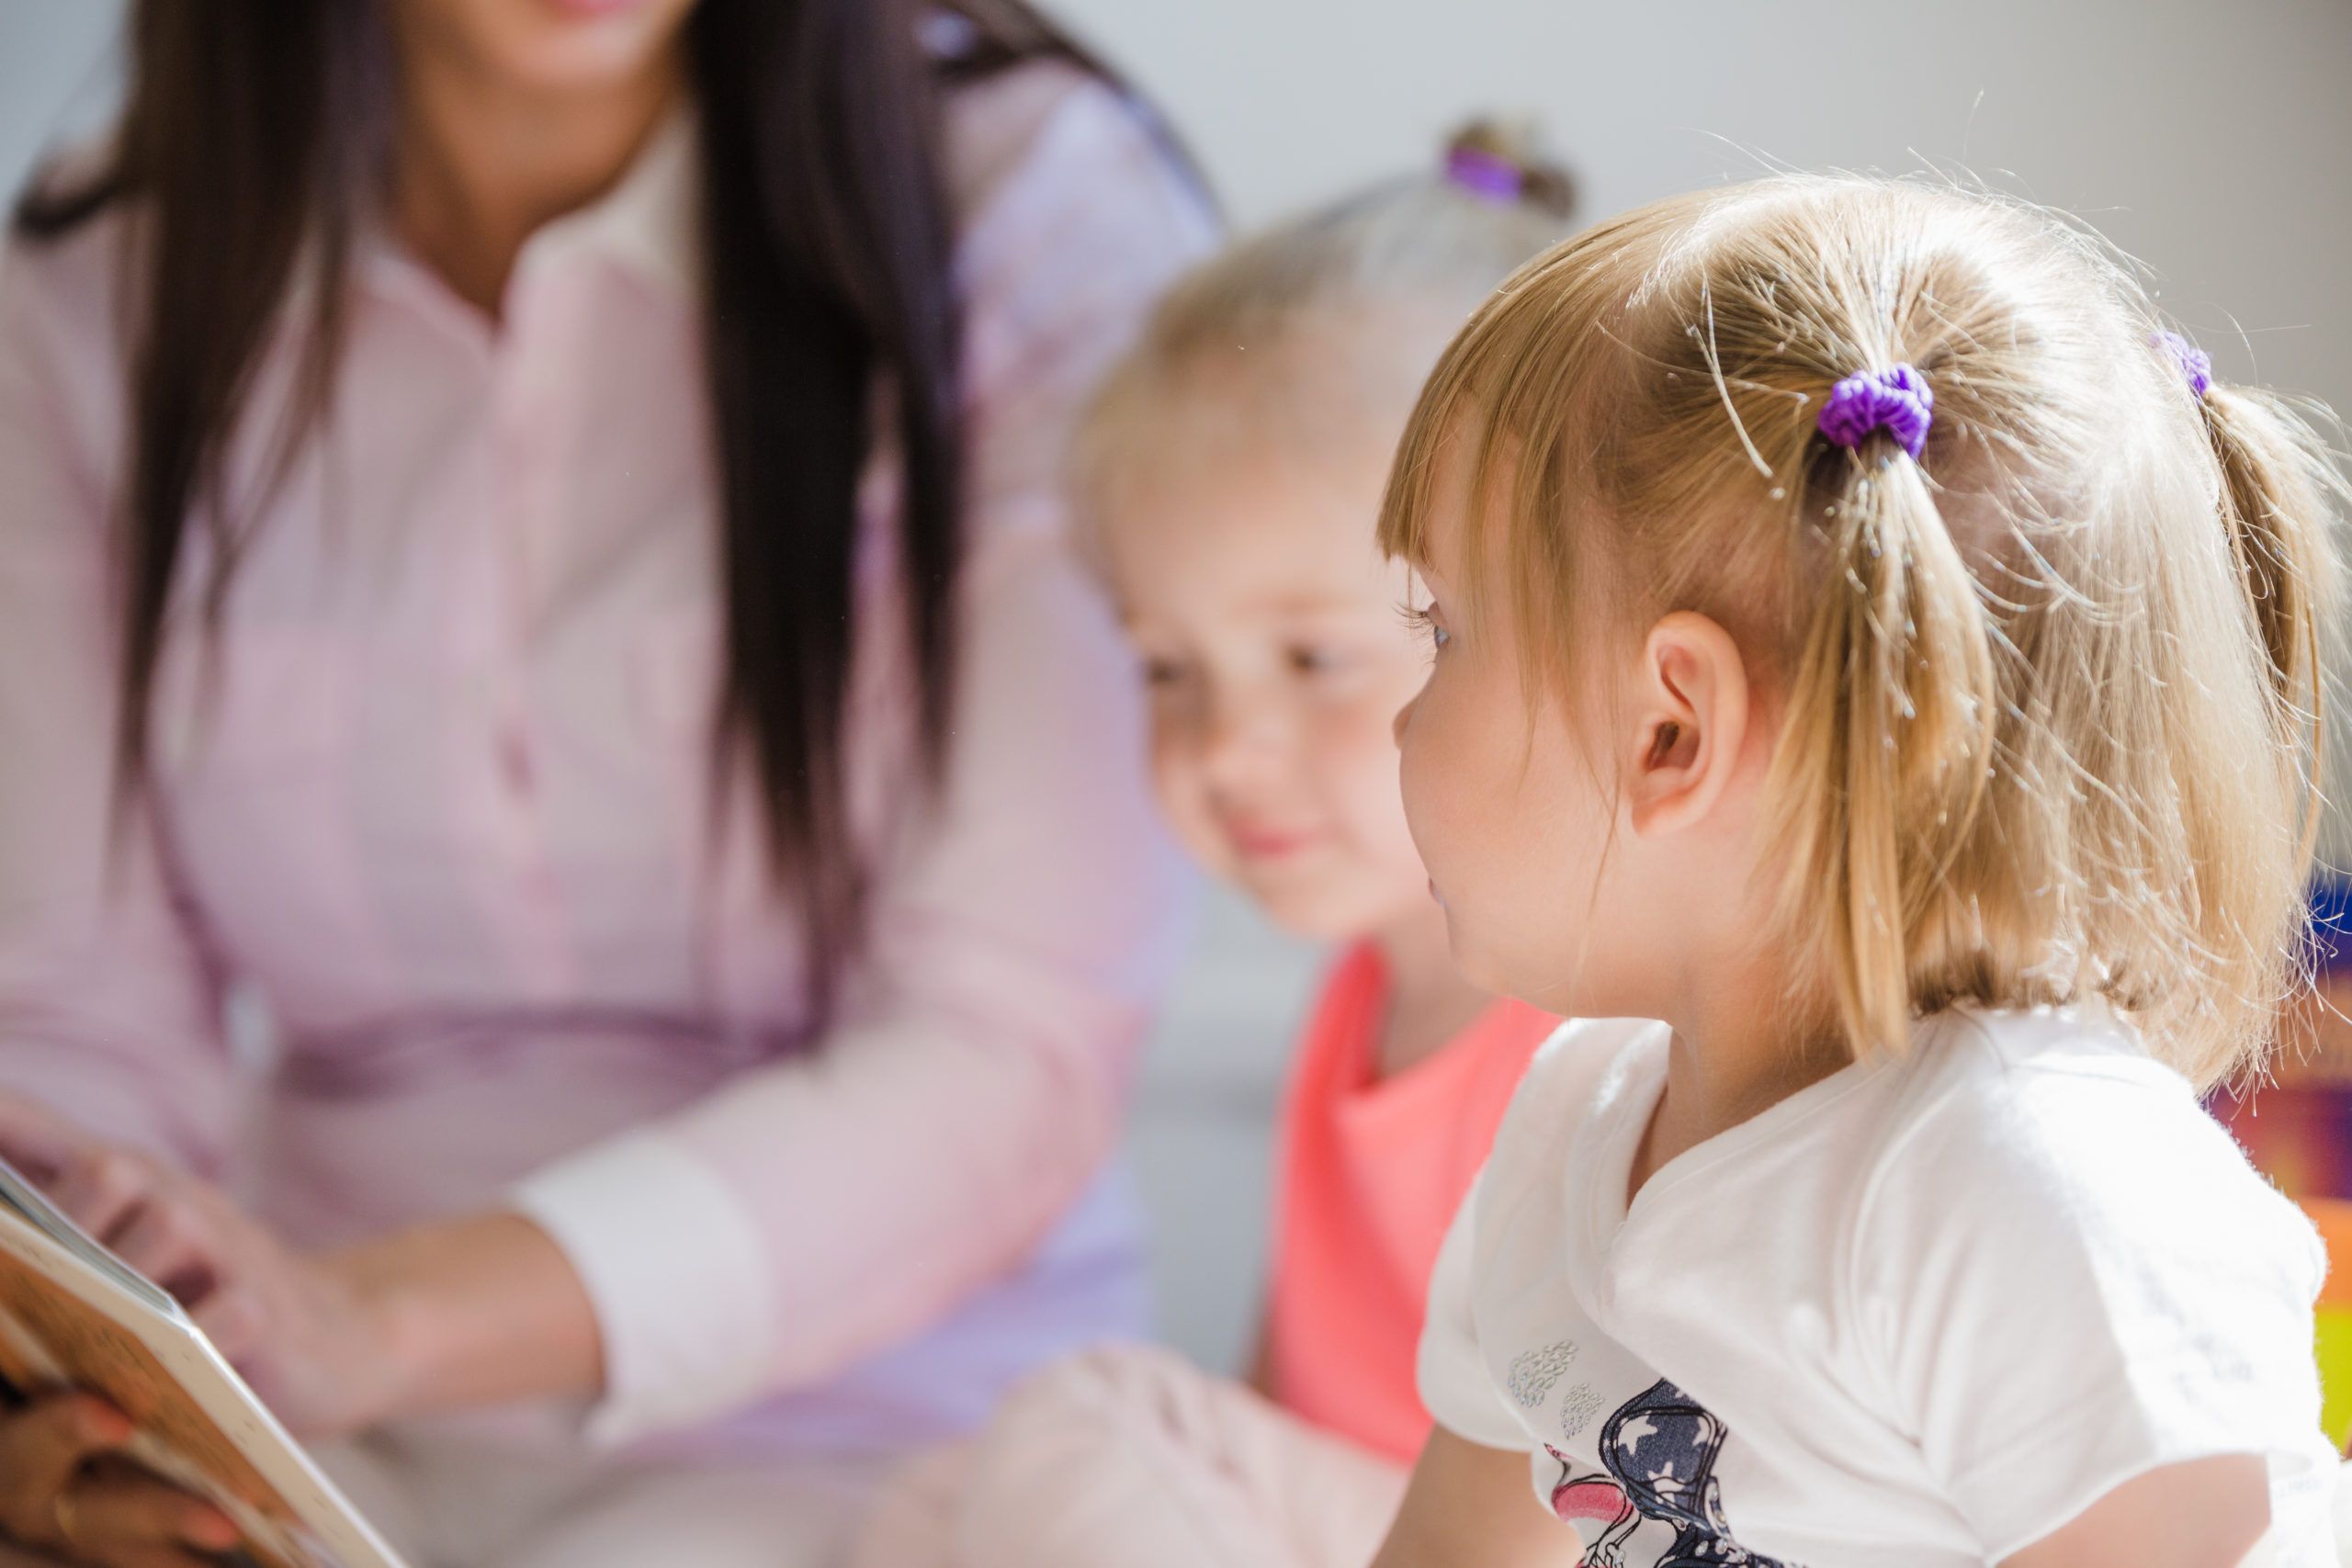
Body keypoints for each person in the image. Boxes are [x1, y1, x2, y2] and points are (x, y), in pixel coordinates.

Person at [0, 1, 1213, 1562]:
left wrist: (369, 1319)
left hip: (881, 1435)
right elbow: (69, 1020)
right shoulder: (95, 275)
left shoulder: (1031, 204)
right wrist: (76, 1388)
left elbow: (1009, 1047)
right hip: (283, 1425)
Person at [1364, 176, 2347, 1565]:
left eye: (1444, 631)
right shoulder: (1568, 1129)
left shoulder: (2032, 1185)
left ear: (1671, 732)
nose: (1402, 718)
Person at [849, 127, 1574, 1568]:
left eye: (1310, 658)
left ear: (1541, 625)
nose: (1224, 748)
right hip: (1351, 1521)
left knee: (1087, 1422)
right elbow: (1280, 1398)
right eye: (1168, 670)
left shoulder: (1576, 1041)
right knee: (934, 1504)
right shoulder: (1360, 1000)